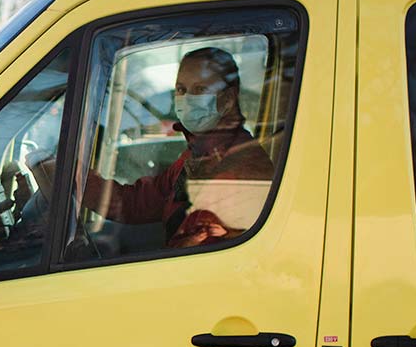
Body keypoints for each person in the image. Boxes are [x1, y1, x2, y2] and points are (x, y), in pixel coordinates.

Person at [81, 46, 275, 248]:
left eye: (200, 90)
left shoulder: (239, 168)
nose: (187, 99)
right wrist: (77, 180)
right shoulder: (198, 153)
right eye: (181, 89)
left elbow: (193, 252)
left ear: (227, 99)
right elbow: (138, 203)